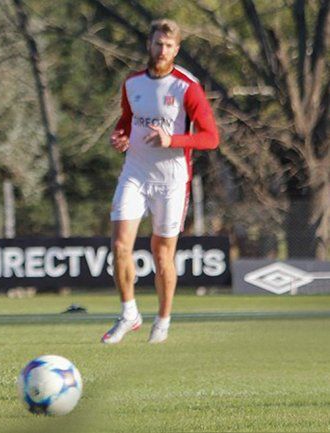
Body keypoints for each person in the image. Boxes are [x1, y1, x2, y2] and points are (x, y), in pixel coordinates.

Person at [102, 19, 219, 344]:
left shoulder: (186, 87)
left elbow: (211, 138)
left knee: (161, 253)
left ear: (176, 49)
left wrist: (174, 141)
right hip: (135, 174)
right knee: (120, 245)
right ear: (149, 45)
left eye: (169, 45)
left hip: (172, 180)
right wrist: (120, 136)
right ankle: (129, 313)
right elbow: (127, 122)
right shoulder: (132, 83)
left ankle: (163, 321)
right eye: (157, 43)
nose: (162, 50)